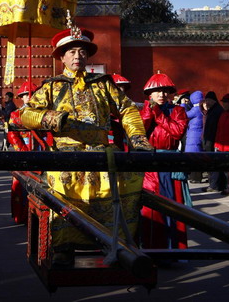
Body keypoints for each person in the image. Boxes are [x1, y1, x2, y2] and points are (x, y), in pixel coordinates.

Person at [20, 22, 152, 265]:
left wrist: (137, 138)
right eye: (71, 51)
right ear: (62, 57)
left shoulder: (103, 84)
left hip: (101, 153)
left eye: (82, 51)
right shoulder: (52, 86)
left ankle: (117, 244)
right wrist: (52, 118)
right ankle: (63, 248)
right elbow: (26, 114)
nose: (77, 56)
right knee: (65, 197)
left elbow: (127, 110)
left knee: (119, 189)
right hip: (66, 155)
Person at [139, 72, 189, 250]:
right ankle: (152, 247)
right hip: (150, 164)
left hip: (169, 161)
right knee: (151, 209)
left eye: (164, 91)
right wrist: (148, 112)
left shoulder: (179, 111)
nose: (161, 94)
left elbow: (177, 132)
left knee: (172, 206)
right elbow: (139, 132)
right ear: (149, 94)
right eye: (157, 91)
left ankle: (172, 250)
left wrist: (159, 115)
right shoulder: (144, 111)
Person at [7, 81, 50, 224]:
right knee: (21, 186)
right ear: (22, 97)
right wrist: (24, 152)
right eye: (26, 95)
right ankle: (22, 216)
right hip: (24, 153)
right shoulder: (16, 114)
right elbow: (13, 135)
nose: (29, 98)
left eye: (32, 94)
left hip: (42, 153)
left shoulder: (45, 113)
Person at [213, 93, 229, 195]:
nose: (223, 104)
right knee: (226, 170)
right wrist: (217, 144)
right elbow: (219, 130)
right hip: (223, 145)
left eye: (225, 102)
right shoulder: (223, 114)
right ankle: (228, 187)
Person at [202, 91, 225, 192]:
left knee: (213, 163)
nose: (206, 102)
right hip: (209, 139)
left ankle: (214, 185)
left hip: (213, 140)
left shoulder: (217, 110)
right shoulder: (212, 110)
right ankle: (213, 184)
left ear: (213, 100)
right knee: (211, 163)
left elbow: (215, 127)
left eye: (208, 100)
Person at [185, 90, 205, 183]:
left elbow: (184, 115)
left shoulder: (195, 110)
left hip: (193, 135)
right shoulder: (202, 108)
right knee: (198, 157)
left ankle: (195, 178)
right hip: (199, 134)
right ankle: (196, 177)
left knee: (193, 157)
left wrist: (182, 105)